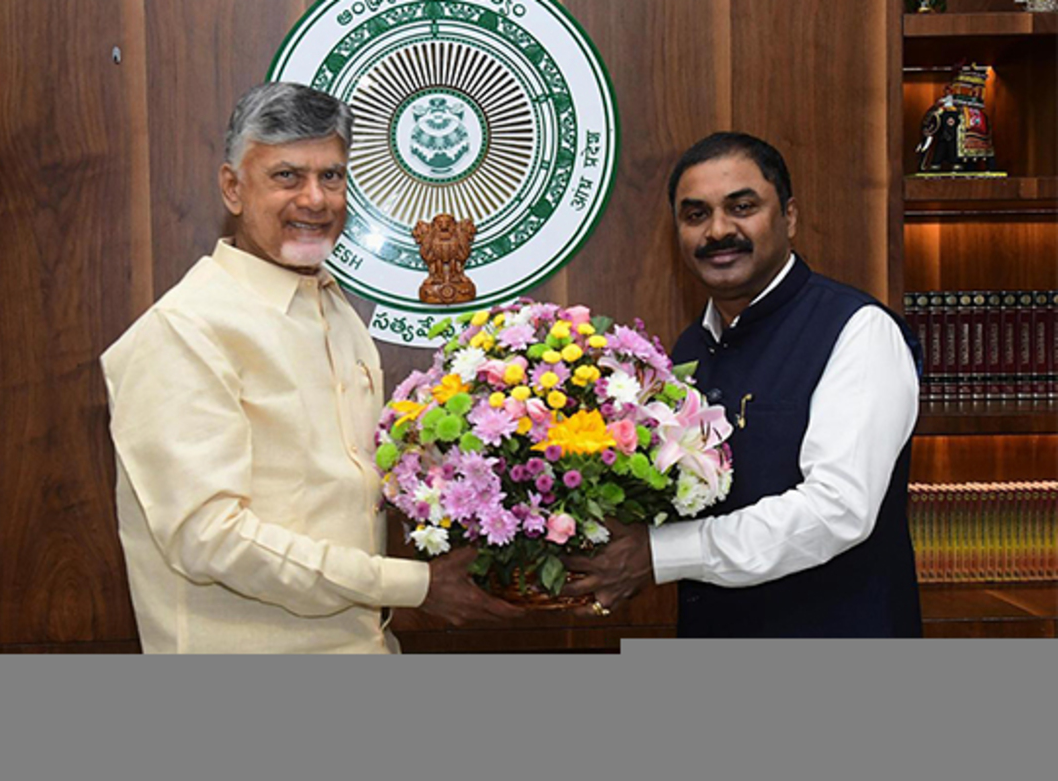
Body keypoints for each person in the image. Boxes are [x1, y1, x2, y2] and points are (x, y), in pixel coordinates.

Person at [101, 82, 521, 653]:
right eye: (286, 176)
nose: (316, 199)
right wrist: (412, 584)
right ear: (232, 188)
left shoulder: (337, 310)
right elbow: (210, 540)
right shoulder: (184, 331)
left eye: (332, 176)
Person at [563, 132, 923, 637]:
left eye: (742, 206)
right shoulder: (687, 352)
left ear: (789, 217)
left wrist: (658, 554)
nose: (717, 231)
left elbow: (838, 510)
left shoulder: (857, 331)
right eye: (695, 215)